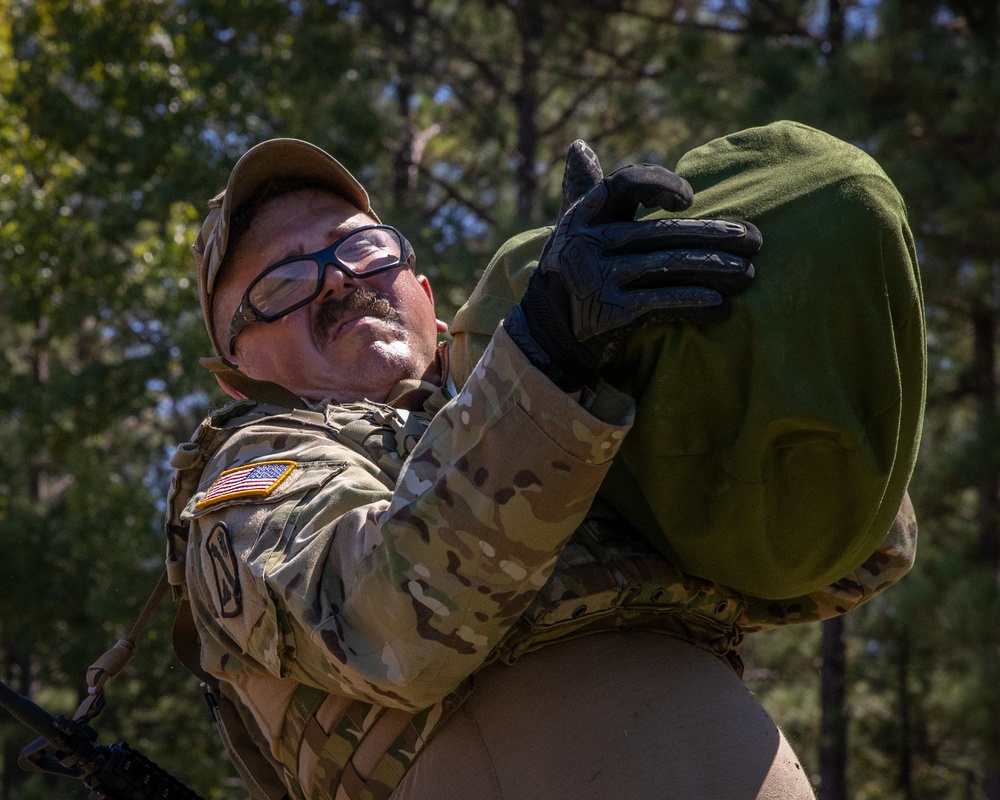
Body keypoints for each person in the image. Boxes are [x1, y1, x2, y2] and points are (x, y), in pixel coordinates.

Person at [163, 131, 917, 800]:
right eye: (282, 282)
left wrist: (749, 355)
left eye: (360, 247)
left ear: (427, 296)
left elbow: (855, 559)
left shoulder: (576, 398)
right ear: (235, 372)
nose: (336, 278)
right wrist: (547, 358)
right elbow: (388, 625)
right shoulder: (251, 475)